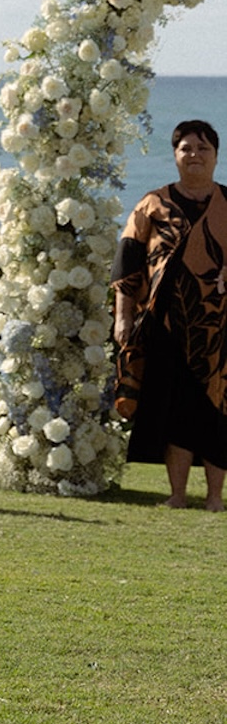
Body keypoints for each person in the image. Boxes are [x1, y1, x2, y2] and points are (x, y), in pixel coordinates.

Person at [112, 119, 227, 511]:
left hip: (220, 330)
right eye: (186, 148)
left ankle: (215, 498)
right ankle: (177, 494)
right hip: (165, 327)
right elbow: (126, 266)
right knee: (176, 409)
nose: (194, 154)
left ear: (215, 155)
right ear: (175, 155)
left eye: (203, 148)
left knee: (218, 409)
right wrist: (122, 317)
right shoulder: (152, 204)